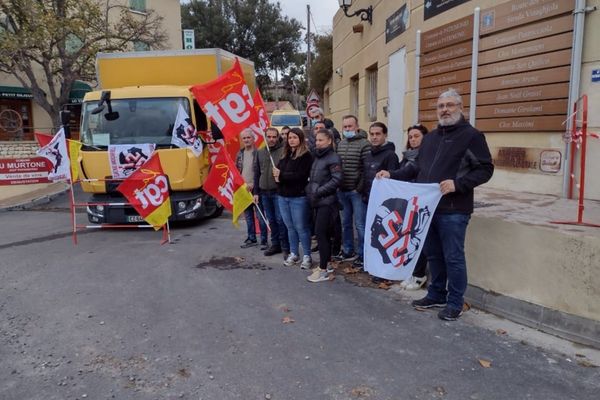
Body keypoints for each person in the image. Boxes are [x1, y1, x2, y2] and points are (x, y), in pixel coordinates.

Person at [410, 88, 494, 321]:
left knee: (453, 257)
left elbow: (485, 169)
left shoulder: (472, 136)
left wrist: (459, 184)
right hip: (429, 208)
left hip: (454, 210)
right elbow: (416, 168)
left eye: (450, 105)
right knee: (433, 255)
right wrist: (391, 174)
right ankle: (436, 294)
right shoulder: (430, 138)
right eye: (441, 106)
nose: (445, 109)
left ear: (460, 108)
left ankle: (455, 302)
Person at [376, 123, 429, 289]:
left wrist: (391, 174)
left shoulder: (425, 157)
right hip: (408, 204)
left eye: (417, 136)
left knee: (418, 240)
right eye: (410, 137)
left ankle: (420, 275)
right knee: (407, 238)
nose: (413, 140)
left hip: (421, 204)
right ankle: (412, 272)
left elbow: (407, 173)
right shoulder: (407, 157)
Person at [305, 128, 343, 283]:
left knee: (321, 234)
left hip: (327, 202)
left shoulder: (333, 157)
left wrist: (319, 191)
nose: (318, 143)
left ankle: (323, 270)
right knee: (322, 235)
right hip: (317, 201)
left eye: (321, 140)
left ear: (329, 141)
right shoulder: (318, 157)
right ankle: (325, 265)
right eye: (317, 140)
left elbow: (336, 180)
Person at [272, 128, 314, 269]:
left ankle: (307, 255)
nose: (291, 140)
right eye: (290, 137)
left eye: (295, 137)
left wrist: (282, 175)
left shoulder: (306, 156)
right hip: (283, 196)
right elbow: (278, 173)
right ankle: (294, 253)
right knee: (290, 227)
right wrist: (278, 176)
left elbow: (300, 176)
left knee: (301, 227)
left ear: (301, 139)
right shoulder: (285, 155)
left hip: (298, 197)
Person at [335, 115, 370, 268]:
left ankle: (363, 254)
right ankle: (348, 250)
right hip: (342, 190)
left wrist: (359, 188)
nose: (347, 129)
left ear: (357, 126)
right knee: (345, 223)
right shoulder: (341, 144)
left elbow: (366, 169)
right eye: (345, 127)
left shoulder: (365, 144)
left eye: (350, 126)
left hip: (356, 191)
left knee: (360, 224)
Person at [254, 127, 290, 257]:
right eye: (269, 137)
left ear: (278, 137)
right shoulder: (260, 152)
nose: (271, 139)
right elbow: (257, 172)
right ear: (265, 137)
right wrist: (256, 192)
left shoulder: (284, 151)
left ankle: (286, 247)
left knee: (281, 220)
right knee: (271, 220)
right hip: (264, 192)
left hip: (278, 192)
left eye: (274, 137)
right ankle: (275, 245)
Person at [236, 128, 268, 249]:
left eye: (248, 137)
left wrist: (254, 186)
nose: (246, 140)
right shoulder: (239, 154)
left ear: (253, 138)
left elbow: (261, 171)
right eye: (244, 138)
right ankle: (251, 238)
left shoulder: (259, 153)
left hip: (256, 189)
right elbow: (237, 171)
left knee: (260, 216)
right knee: (248, 216)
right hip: (244, 190)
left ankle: (264, 240)